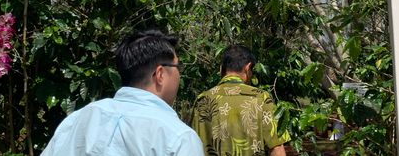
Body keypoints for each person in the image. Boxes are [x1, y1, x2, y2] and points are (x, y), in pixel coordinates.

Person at [42, 29, 204, 156]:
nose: (179, 74)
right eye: (177, 67)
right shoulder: (179, 137)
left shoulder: (78, 119)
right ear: (160, 74)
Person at [190, 45, 290, 156]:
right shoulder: (261, 98)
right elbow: (277, 149)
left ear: (221, 69)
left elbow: (191, 148)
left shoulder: (202, 100)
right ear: (248, 68)